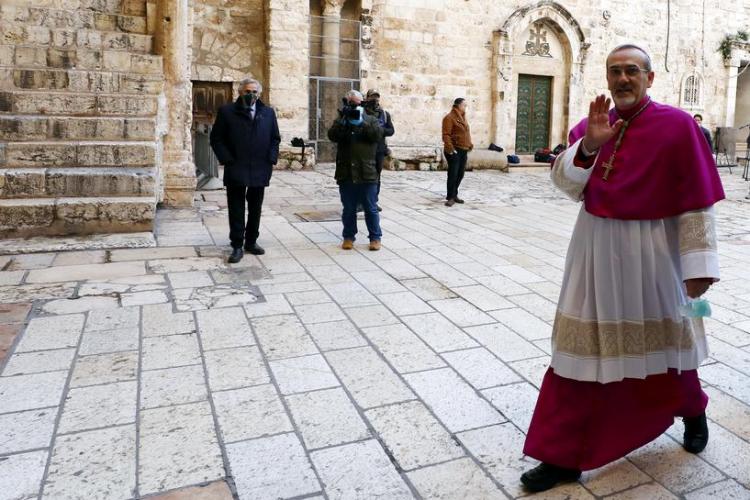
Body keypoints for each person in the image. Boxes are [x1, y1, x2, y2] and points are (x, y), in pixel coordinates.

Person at [520, 44, 725, 493]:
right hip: (593, 251)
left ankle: (692, 409)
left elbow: (697, 202)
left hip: (655, 252)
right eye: (615, 71)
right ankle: (561, 456)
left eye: (632, 70)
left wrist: (699, 264)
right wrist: (589, 145)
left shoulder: (677, 127)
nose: (622, 79)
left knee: (671, 338)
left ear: (650, 78)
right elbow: (565, 185)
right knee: (578, 354)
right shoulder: (595, 121)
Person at [210, 78, 280, 263]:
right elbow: (216, 138)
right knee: (236, 207)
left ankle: (251, 241)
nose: (252, 94)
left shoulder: (267, 112)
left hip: (260, 166)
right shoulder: (227, 112)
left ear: (259, 93)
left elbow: (275, 138)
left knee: (255, 207)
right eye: (248, 91)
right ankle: (237, 244)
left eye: (255, 91)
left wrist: (271, 159)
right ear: (240, 92)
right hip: (237, 166)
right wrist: (226, 159)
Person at [328, 90, 383, 251]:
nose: (354, 106)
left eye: (357, 103)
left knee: (371, 207)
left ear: (362, 104)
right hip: (346, 171)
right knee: (349, 208)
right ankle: (348, 237)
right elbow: (332, 135)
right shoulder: (341, 119)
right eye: (350, 103)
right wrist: (343, 122)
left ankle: (375, 238)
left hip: (367, 171)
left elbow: (377, 135)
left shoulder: (371, 119)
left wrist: (362, 123)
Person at [363, 89, 395, 211]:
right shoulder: (362, 112)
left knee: (377, 176)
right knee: (364, 176)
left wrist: (379, 131)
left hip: (379, 150)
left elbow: (391, 130)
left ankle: (373, 201)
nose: (374, 99)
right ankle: (363, 201)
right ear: (367, 98)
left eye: (376, 97)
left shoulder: (384, 114)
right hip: (365, 149)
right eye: (372, 97)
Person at [442, 98, 473, 206]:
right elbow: (446, 135)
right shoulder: (449, 118)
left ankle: (454, 194)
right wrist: (451, 149)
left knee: (460, 174)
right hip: (454, 150)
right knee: (453, 174)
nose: (466, 107)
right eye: (464, 105)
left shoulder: (462, 118)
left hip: (463, 149)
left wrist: (469, 144)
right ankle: (450, 197)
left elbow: (465, 133)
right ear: (458, 106)